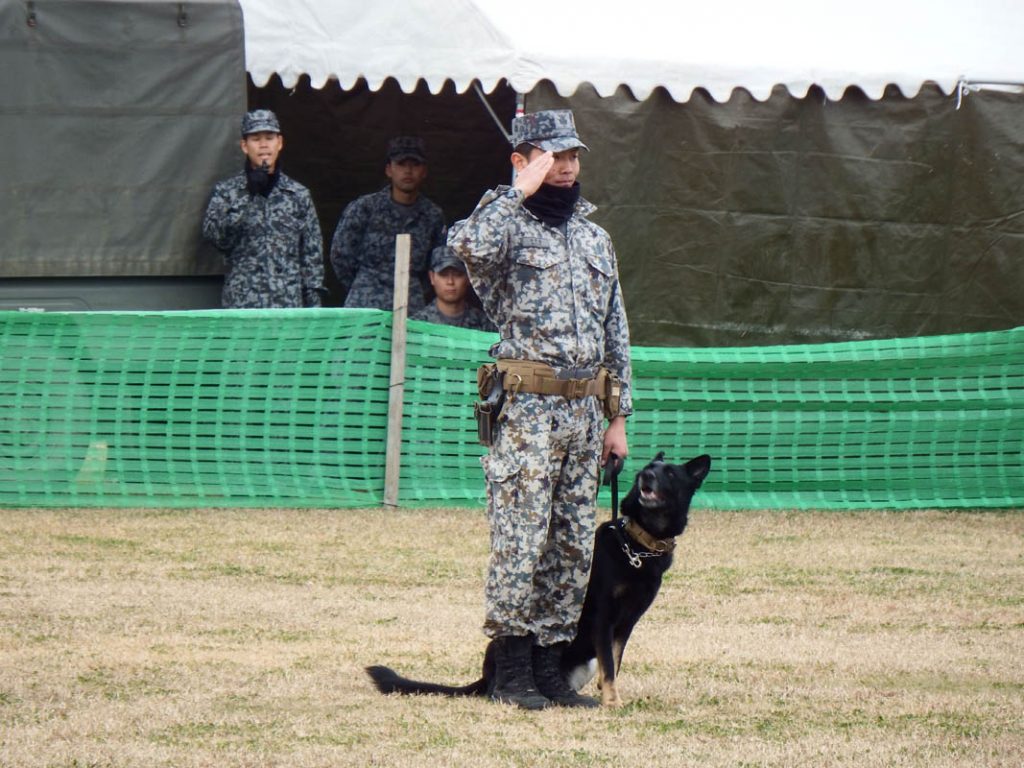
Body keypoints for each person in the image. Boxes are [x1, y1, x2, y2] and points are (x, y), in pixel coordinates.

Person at [448, 109, 632, 709]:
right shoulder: (504, 226)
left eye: (573, 156)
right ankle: (512, 667)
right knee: (520, 542)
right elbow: (466, 246)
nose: (567, 167)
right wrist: (514, 193)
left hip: (583, 415)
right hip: (526, 411)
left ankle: (551, 665)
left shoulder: (593, 237)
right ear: (523, 160)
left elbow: (616, 332)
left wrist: (617, 417)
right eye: (553, 157)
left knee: (573, 545)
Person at [202, 109, 324, 308]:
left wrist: (313, 304)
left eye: (269, 138)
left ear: (280, 143)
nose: (264, 145)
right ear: (244, 145)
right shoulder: (227, 192)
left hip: (287, 305)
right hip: (243, 303)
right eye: (256, 139)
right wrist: (249, 196)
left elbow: (312, 254)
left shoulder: (298, 194)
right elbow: (217, 239)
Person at [330, 137, 446, 312]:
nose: (408, 171)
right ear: (389, 170)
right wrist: (364, 284)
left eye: (414, 164)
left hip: (411, 305)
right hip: (365, 304)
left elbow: (438, 263)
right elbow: (340, 255)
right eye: (401, 164)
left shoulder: (433, 215)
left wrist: (415, 288)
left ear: (424, 171)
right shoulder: (365, 208)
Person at [411, 246, 496, 331]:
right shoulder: (418, 325)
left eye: (457, 274)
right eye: (443, 275)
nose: (450, 282)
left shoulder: (485, 325)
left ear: (468, 277)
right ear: (432, 277)